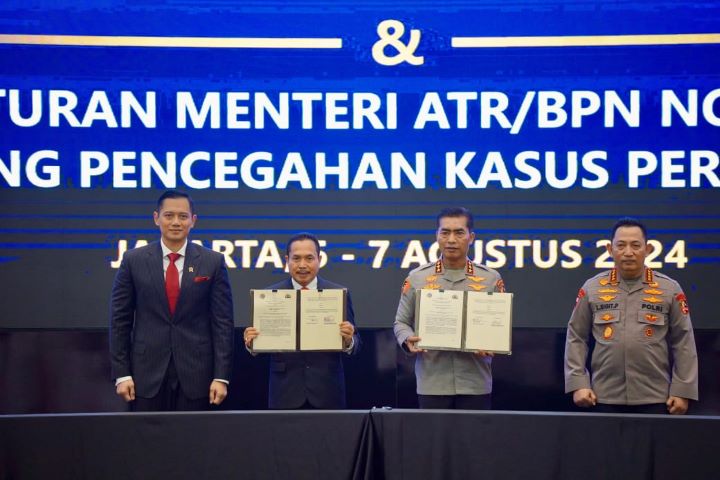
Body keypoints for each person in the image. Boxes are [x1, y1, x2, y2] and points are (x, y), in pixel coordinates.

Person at [110, 190, 234, 411]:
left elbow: (223, 324)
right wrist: (122, 373)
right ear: (156, 218)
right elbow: (120, 321)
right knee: (147, 443)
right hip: (145, 375)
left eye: (183, 216)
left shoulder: (212, 262)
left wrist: (221, 377)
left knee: (194, 444)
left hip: (198, 375)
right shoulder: (133, 260)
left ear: (193, 221)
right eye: (169, 216)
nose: (176, 222)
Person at [564, 217, 698, 414]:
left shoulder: (669, 289)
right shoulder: (592, 288)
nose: (628, 252)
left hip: (657, 397)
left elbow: (683, 340)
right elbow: (576, 336)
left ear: (648, 249)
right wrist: (578, 383)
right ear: (610, 250)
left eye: (636, 245)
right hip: (601, 396)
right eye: (621, 245)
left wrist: (682, 390)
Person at [394, 207, 506, 409]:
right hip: (432, 382)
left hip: (475, 382)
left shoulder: (491, 278)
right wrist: (406, 339)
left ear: (471, 237)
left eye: (459, 232)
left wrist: (493, 342)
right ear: (437, 236)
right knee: (434, 441)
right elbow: (401, 322)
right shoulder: (417, 277)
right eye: (445, 232)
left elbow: (499, 326)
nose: (451, 239)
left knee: (474, 441)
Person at [244, 232, 360, 409]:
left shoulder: (338, 294)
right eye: (296, 258)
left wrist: (349, 339)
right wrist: (251, 342)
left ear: (319, 260)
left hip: (327, 391)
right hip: (284, 391)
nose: (302, 265)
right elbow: (258, 344)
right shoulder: (269, 295)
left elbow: (357, 344)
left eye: (309, 258)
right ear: (287, 260)